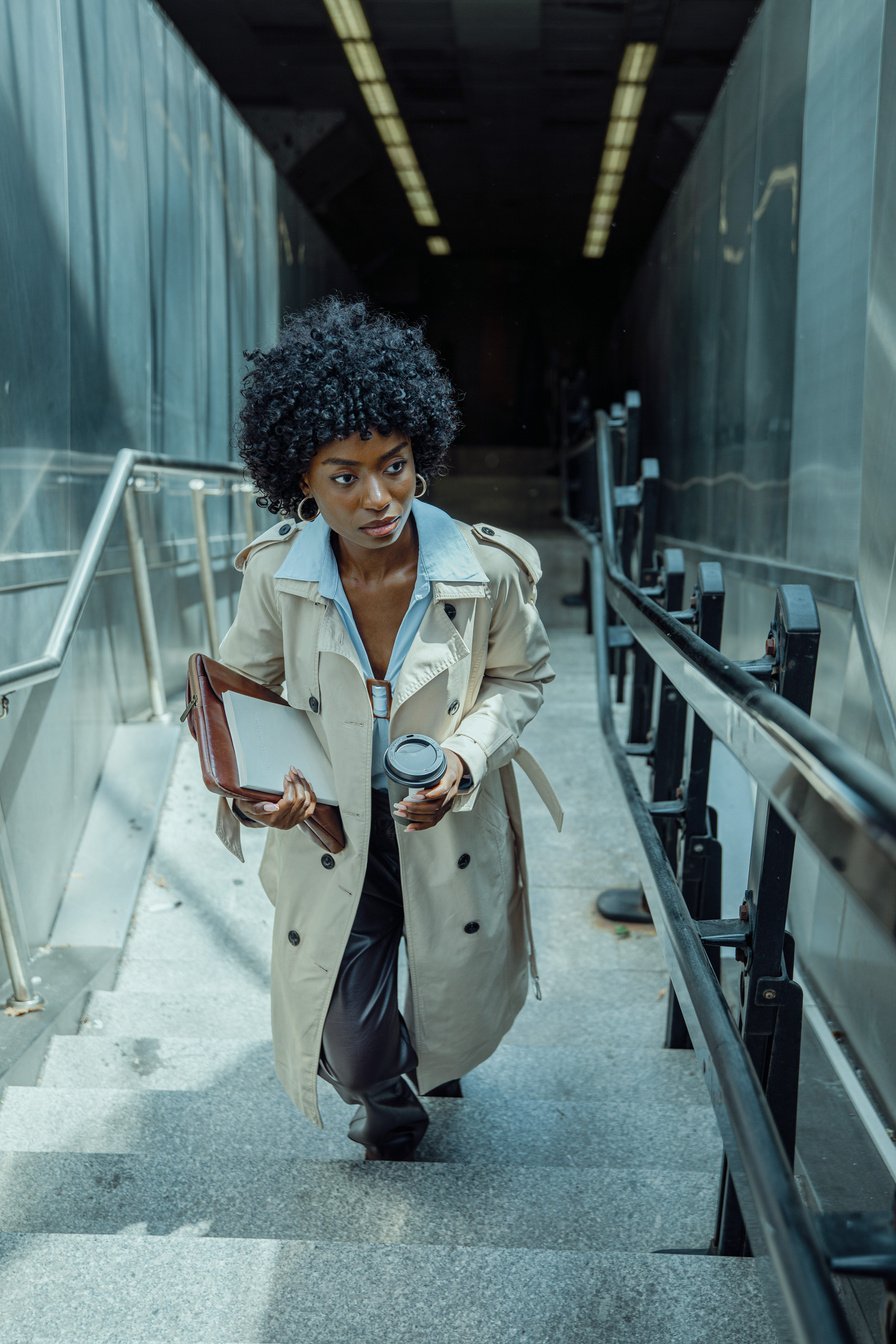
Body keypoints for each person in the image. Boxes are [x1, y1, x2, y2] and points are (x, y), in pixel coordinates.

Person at [214, 294, 562, 1160]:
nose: (381, 497)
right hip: (338, 834)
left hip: (446, 823)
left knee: (450, 992)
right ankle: (393, 1102)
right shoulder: (274, 577)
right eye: (346, 475)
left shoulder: (486, 569)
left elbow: (523, 677)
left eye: (397, 465)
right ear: (299, 478)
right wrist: (267, 797)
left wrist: (464, 756)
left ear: (421, 452)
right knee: (354, 1045)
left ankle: (430, 1068)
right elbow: (237, 696)